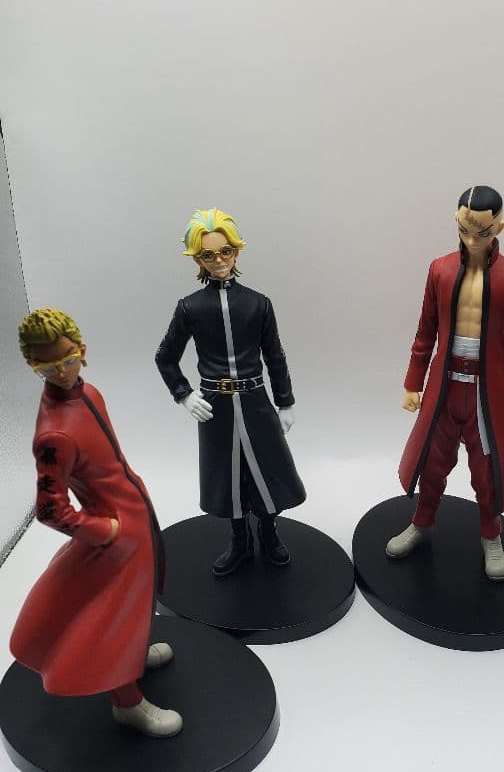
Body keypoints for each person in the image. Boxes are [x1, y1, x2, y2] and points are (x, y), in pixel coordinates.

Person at [13, 309, 182, 736]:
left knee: (137, 605)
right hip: (113, 536)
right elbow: (49, 509)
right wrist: (103, 531)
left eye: (69, 359)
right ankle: (127, 703)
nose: (62, 372)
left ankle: (134, 657)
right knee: (110, 622)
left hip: (135, 517)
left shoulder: (90, 394)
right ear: (33, 365)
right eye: (48, 367)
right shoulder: (54, 434)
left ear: (81, 348)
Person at [388, 186, 504, 580]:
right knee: (432, 463)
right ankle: (421, 522)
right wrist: (413, 382)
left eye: (482, 233)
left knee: (487, 470)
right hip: (445, 386)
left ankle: (491, 534)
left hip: (485, 393)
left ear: (499, 228)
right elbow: (425, 330)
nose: (472, 241)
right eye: (464, 230)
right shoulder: (440, 269)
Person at [156, 208, 305, 576]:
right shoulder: (190, 307)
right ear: (197, 259)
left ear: (236, 251)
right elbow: (165, 357)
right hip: (215, 405)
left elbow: (275, 356)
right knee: (226, 475)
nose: (219, 260)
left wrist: (285, 401)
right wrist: (184, 394)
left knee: (268, 469)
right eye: (208, 255)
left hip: (255, 402)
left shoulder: (258, 303)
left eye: (225, 252)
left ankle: (269, 530)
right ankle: (240, 539)